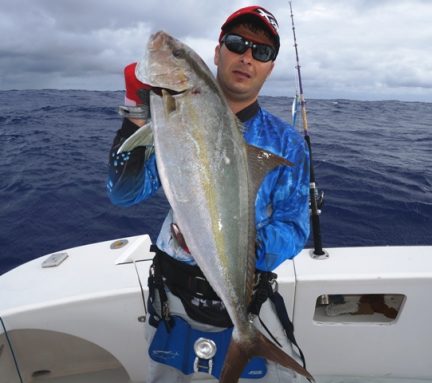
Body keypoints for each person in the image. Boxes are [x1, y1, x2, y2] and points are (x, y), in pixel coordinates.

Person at [107, 5, 310, 382]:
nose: (247, 56)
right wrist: (136, 115)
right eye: (237, 43)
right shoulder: (164, 116)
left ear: (269, 67)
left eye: (261, 51)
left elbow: (295, 228)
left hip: (246, 300)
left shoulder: (287, 144)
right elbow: (124, 194)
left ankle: (246, 336)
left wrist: (235, 247)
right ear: (217, 53)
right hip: (173, 299)